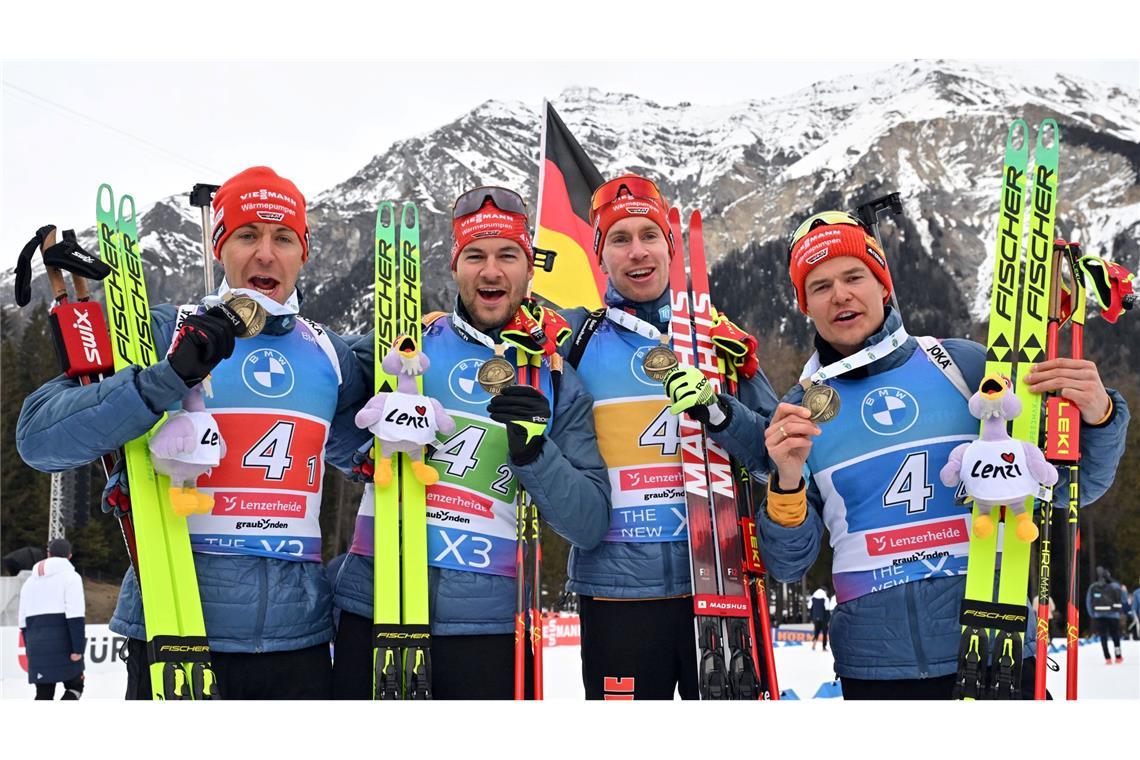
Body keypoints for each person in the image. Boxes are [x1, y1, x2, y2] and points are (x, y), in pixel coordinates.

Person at [16, 167, 370, 699]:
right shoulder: (161, 329)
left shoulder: (330, 353)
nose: (265, 255)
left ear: (304, 252)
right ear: (220, 245)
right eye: (248, 235)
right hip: (173, 623)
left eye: (283, 238)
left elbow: (358, 456)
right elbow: (40, 438)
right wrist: (164, 379)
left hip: (299, 641)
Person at [748, 210, 1130, 699]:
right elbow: (787, 564)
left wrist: (1098, 416)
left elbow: (1067, 489)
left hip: (997, 644)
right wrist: (786, 479)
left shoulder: (963, 365)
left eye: (853, 276)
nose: (840, 294)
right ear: (806, 306)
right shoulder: (802, 410)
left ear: (883, 284)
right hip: (876, 668)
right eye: (820, 286)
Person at [331, 185, 610, 699]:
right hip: (375, 603)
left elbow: (590, 523)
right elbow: (319, 415)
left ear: (529, 271)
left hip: (487, 625)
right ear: (455, 268)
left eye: (508, 255)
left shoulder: (556, 380)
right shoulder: (404, 344)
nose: (490, 271)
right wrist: (364, 451)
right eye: (475, 256)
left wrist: (534, 453)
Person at [558, 173, 779, 700]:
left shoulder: (719, 338)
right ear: (600, 256)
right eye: (620, 238)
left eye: (649, 235)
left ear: (670, 245)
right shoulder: (576, 339)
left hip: (720, 582)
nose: (637, 252)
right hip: (618, 592)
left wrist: (721, 411)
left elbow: (778, 455)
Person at [17, 538, 85, 700]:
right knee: (75, 687)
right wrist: (78, 649)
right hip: (65, 646)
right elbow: (75, 615)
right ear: (69, 556)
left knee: (43, 694)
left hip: (36, 646)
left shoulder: (29, 582)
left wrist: (30, 649)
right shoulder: (71, 578)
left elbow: (22, 621)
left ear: (48, 554)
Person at [1086, 566, 1125, 664]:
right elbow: (1123, 599)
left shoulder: (1093, 587)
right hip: (1113, 615)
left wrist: (1093, 614)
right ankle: (1118, 656)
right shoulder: (1115, 586)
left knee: (1103, 636)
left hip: (1099, 615)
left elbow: (1088, 601)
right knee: (1115, 636)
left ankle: (1107, 658)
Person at [809, 585, 830, 651]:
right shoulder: (825, 598)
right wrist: (828, 619)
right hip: (823, 618)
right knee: (824, 632)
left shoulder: (812, 597)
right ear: (824, 591)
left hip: (815, 617)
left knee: (817, 631)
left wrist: (812, 617)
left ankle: (814, 641)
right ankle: (824, 647)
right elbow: (827, 609)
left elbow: (809, 607)